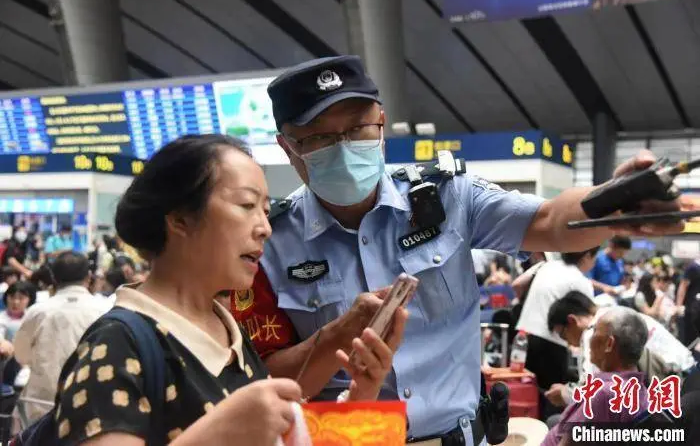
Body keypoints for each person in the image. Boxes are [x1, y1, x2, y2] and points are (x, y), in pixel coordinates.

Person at [229, 55, 682, 445]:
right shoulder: (267, 243)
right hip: (350, 438)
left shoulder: (446, 197)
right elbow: (268, 381)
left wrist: (609, 203)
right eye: (319, 139)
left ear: (381, 123)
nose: (344, 148)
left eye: (357, 128)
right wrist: (339, 333)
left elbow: (548, 221)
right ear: (288, 148)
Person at [49, 135, 405, 445]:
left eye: (266, 211)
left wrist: (362, 393)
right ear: (180, 219)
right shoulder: (115, 344)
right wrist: (221, 431)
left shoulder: (229, 330)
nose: (265, 228)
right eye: (247, 206)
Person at [545, 291, 694, 411]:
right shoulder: (616, 312)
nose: (568, 342)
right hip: (687, 377)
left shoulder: (596, 332)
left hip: (671, 393)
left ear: (572, 321)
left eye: (563, 334)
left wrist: (565, 394)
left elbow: (596, 393)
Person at [13, 251, 111, 421]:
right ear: (88, 277)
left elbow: (21, 355)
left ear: (54, 278)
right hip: (89, 405)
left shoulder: (38, 312)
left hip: (41, 406)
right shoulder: (105, 311)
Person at [543, 307, 650, 446]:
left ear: (609, 344)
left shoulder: (603, 395)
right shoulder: (638, 389)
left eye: (594, 331)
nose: (590, 338)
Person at [515, 247, 598, 393]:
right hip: (551, 342)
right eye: (594, 259)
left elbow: (518, 284)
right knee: (551, 395)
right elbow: (590, 319)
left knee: (526, 392)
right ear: (586, 257)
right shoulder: (581, 281)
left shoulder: (547, 266)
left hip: (522, 335)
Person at [677, 257, 700, 345]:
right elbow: (683, 286)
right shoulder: (693, 267)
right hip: (691, 310)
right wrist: (678, 306)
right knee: (688, 339)